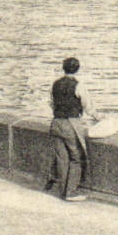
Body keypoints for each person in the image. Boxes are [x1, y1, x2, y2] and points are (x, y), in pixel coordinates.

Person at [47, 57, 91, 201]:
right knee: (76, 157)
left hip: (56, 123)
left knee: (61, 158)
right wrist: (100, 118)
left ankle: (62, 191)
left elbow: (52, 103)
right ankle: (70, 192)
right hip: (71, 123)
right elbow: (87, 106)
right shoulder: (79, 86)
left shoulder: (55, 84)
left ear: (63, 68)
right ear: (77, 69)